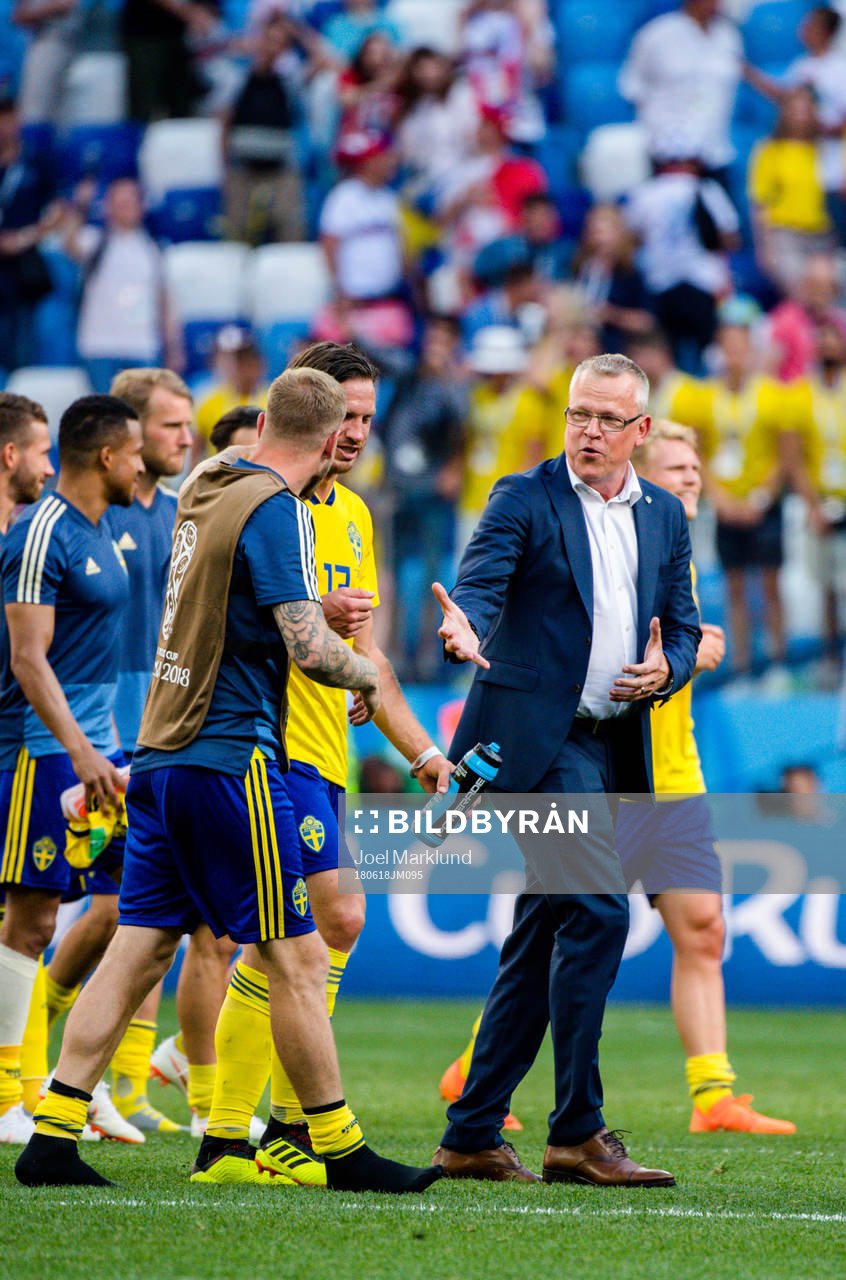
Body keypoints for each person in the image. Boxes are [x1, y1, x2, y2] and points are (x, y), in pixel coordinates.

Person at [14, 367, 442, 1195]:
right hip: (229, 754)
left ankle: (55, 1131)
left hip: (160, 756)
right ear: (325, 442)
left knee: (138, 950)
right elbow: (307, 648)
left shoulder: (210, 483)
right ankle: (338, 1145)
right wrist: (362, 673)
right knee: (297, 955)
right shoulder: (277, 511)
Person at [151, 343, 454, 1182]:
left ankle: (245, 1126)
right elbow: (253, 629)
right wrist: (315, 621)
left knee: (292, 940)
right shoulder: (255, 500)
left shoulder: (352, 519)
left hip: (325, 751)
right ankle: (257, 1130)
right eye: (345, 415)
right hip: (261, 752)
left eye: (367, 416)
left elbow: (367, 657)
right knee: (305, 933)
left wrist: (422, 750)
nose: (355, 432)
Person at [431, 352, 700, 1185]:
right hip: (532, 747)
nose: (589, 431)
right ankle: (576, 1132)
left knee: (543, 929)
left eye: (608, 419)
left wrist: (669, 670)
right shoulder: (523, 495)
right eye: (579, 414)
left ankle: (473, 1133)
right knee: (600, 912)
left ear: (640, 431)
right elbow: (481, 584)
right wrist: (464, 628)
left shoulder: (663, 515)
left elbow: (684, 626)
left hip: (612, 741)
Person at [623, 420, 795, 1134]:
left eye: (696, 467)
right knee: (567, 939)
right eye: (677, 466)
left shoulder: (682, 559)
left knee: (703, 928)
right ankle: (479, 1074)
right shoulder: (619, 548)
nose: (693, 478)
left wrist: (692, 650)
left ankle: (712, 1096)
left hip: (677, 777)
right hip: (608, 777)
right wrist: (692, 652)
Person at [39, 370, 195, 1139]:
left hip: (154, 743)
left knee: (146, 924)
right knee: (103, 912)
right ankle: (42, 1063)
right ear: (119, 444)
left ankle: (117, 1086)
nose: (182, 438)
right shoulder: (81, 524)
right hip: (98, 742)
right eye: (167, 426)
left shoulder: (178, 514)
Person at [0, 396, 144, 1147]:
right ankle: (5, 1099)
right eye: (139, 452)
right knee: (28, 920)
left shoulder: (103, 532)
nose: (145, 465)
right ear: (109, 457)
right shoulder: (42, 532)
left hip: (101, 749)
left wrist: (109, 747)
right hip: (44, 750)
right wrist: (82, 753)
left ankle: (57, 1089)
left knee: (111, 910)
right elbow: (29, 659)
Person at [673, 318, 800, 678]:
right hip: (727, 507)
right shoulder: (704, 397)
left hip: (765, 506)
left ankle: (779, 664)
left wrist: (761, 498)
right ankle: (742, 665)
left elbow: (785, 454)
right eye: (728, 348)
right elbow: (697, 451)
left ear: (752, 351)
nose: (735, 356)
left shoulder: (774, 394)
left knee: (773, 584)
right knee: (736, 589)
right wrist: (720, 499)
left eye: (741, 347)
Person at [0, 392, 54, 1141]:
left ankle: (15, 1089)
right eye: (40, 450)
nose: (48, 464)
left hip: (19, 746)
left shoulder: (25, 537)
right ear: (9, 455)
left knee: (32, 915)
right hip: (12, 744)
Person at [625, 156, 740, 374]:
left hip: (661, 282)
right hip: (701, 282)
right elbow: (730, 237)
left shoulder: (647, 192)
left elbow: (631, 238)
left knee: (668, 353)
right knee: (708, 352)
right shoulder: (706, 188)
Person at [744, 4, 846, 244]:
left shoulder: (840, 69)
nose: (803, 30)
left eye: (810, 26)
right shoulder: (803, 66)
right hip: (811, 169)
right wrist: (750, 75)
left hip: (835, 168)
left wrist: (817, 126)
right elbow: (786, 98)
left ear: (826, 32)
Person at [619, 0, 743, 181]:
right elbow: (633, 86)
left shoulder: (729, 37)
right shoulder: (658, 34)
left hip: (714, 153)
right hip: (668, 156)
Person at [63, 179, 167, 394]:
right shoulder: (94, 240)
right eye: (118, 202)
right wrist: (80, 206)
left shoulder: (153, 248)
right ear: (107, 207)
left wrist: (172, 344)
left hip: (142, 344)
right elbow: (70, 244)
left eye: (129, 202)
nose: (124, 208)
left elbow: (162, 298)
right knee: (108, 415)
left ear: (141, 206)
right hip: (100, 345)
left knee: (142, 414)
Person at [221, 14, 311, 246]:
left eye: (280, 42)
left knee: (291, 229)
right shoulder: (238, 76)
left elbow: (325, 60)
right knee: (237, 233)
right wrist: (225, 165)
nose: (273, 47)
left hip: (280, 170)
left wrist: (300, 32)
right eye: (269, 39)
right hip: (243, 169)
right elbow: (224, 121)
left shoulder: (290, 80)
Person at [0, 98, 64, 373]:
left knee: (23, 345)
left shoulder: (35, 161)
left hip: (24, 268)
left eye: (9, 119)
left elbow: (59, 210)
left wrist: (26, 237)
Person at [748, 87, 832, 297]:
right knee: (799, 296)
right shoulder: (769, 150)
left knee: (826, 298)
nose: (800, 115)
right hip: (784, 235)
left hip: (821, 233)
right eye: (795, 109)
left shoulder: (824, 149)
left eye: (806, 109)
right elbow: (760, 202)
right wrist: (764, 248)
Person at [573, 204, 654, 354]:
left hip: (616, 348)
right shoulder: (581, 269)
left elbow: (646, 322)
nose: (599, 239)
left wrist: (612, 314)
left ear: (618, 234)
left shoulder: (630, 272)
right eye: (594, 233)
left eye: (603, 232)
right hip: (581, 345)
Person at [195, 328, 269, 457]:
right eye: (241, 364)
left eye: (251, 364)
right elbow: (196, 450)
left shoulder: (274, 400)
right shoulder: (208, 402)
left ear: (261, 366)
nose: (247, 371)